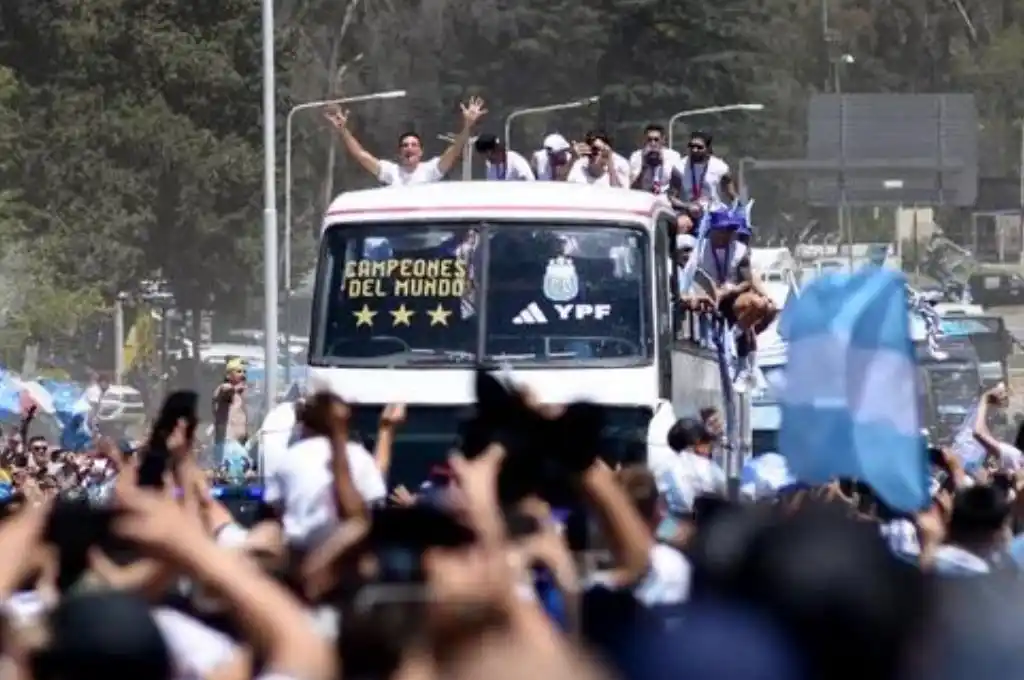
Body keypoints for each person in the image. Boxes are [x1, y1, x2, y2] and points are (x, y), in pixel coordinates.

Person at [324, 96, 487, 186]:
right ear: (399, 152)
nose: (409, 148)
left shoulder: (430, 170)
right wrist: (343, 130)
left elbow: (454, 151)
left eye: (414, 145)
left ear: (421, 152)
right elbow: (361, 155)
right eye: (405, 145)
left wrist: (467, 125)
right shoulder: (391, 172)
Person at [675, 131, 730, 208]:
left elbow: (732, 194)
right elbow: (672, 197)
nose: (694, 150)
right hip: (688, 212)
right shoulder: (679, 166)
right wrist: (687, 206)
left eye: (699, 147)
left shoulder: (720, 167)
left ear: (708, 149)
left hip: (714, 212)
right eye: (692, 146)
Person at [211, 358, 249, 469]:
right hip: (227, 444)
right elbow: (225, 391)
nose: (243, 375)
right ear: (228, 375)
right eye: (238, 371)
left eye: (244, 371)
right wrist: (235, 389)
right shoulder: (224, 388)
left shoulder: (239, 393)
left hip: (237, 444)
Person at [629, 123, 682, 194]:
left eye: (656, 140)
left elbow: (679, 185)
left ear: (663, 140)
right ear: (645, 140)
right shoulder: (636, 156)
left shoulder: (673, 156)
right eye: (649, 140)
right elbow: (633, 188)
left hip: (665, 196)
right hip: (644, 195)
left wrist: (662, 163)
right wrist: (644, 165)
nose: (653, 143)